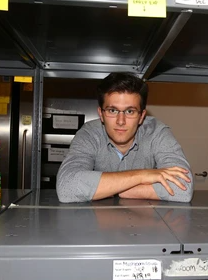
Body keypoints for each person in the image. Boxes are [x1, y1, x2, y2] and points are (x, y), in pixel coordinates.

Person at [56, 72, 193, 203]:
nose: (120, 121)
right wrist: (141, 176)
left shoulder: (157, 133)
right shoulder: (89, 134)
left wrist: (108, 189)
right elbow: (67, 187)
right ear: (101, 114)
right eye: (112, 110)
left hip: (145, 223)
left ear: (141, 116)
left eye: (130, 111)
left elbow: (183, 189)